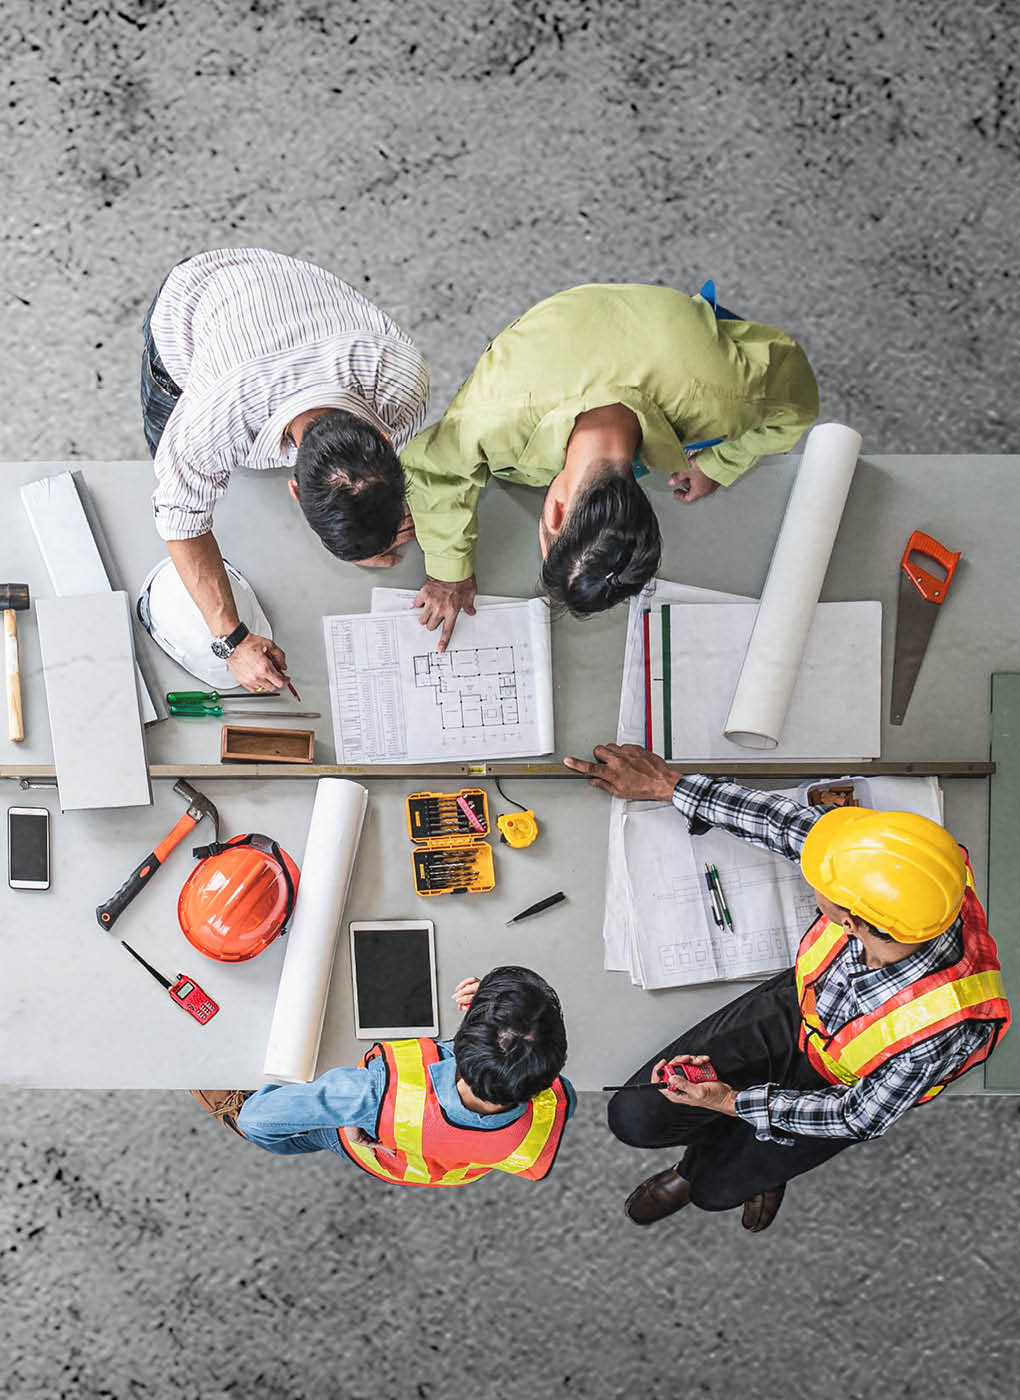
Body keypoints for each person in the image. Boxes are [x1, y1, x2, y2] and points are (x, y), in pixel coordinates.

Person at [563, 743, 1011, 1232]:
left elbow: (857, 1116)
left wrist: (729, 1102)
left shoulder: (943, 1030)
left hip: (842, 1083)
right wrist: (669, 786)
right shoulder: (914, 879)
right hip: (798, 1009)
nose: (810, 869)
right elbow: (787, 827)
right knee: (635, 1116)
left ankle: (701, 1172)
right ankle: (746, 1152)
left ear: (850, 919)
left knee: (715, 1190)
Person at [401, 281, 818, 649]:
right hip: (557, 347)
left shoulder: (727, 398)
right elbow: (430, 468)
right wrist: (448, 574)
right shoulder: (493, 415)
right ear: (556, 511)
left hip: (665, 343)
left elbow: (797, 401)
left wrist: (720, 463)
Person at [141, 247, 429, 692]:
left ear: (386, 440)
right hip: (197, 300)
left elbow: (360, 481)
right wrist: (232, 641)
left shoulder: (399, 384)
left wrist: (364, 535)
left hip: (290, 298)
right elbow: (178, 516)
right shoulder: (214, 420)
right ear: (293, 489)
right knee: (171, 458)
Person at [191, 966, 575, 1186]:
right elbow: (527, 1070)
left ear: (466, 1034)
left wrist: (340, 1125)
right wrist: (501, 1028)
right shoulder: (555, 1099)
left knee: (236, 1095)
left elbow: (259, 1122)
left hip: (361, 1136)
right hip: (440, 1164)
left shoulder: (368, 1096)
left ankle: (277, 1120)